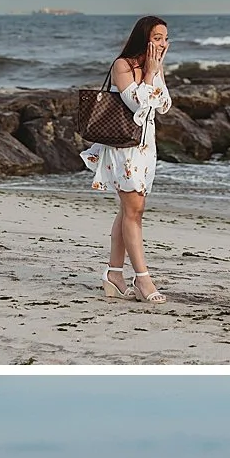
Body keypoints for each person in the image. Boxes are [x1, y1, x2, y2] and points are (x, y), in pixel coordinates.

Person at [85, 16, 173, 304]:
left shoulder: (153, 67)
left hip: (146, 148)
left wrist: (156, 72)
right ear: (143, 38)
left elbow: (163, 106)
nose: (161, 43)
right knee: (134, 210)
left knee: (129, 210)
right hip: (123, 148)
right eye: (157, 38)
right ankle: (143, 278)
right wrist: (149, 75)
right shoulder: (122, 65)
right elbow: (136, 103)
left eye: (165, 38)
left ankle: (113, 274)